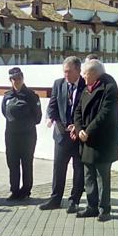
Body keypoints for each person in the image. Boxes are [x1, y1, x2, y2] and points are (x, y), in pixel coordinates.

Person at [74, 59, 118, 222]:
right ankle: (91, 206)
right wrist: (79, 129)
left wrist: (88, 131)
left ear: (93, 73)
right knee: (89, 176)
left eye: (85, 74)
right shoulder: (87, 88)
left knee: (102, 176)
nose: (83, 77)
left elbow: (105, 114)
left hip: (102, 141)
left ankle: (104, 209)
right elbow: (78, 110)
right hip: (86, 139)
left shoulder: (109, 88)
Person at [40, 56, 86, 213]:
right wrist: (50, 117)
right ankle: (55, 198)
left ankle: (74, 200)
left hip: (78, 135)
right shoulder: (58, 84)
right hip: (61, 134)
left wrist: (78, 127)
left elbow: (88, 111)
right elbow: (53, 105)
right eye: (64, 71)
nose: (66, 75)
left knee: (78, 168)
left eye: (69, 71)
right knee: (59, 167)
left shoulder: (86, 85)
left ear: (78, 70)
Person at [2, 67, 42, 200]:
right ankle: (14, 190)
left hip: (27, 136)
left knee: (26, 163)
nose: (16, 81)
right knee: (12, 163)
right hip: (11, 135)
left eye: (19, 78)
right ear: (10, 80)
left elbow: (38, 117)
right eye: (14, 79)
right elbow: (4, 112)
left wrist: (24, 123)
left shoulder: (31, 95)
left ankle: (25, 191)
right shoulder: (7, 95)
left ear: (23, 78)